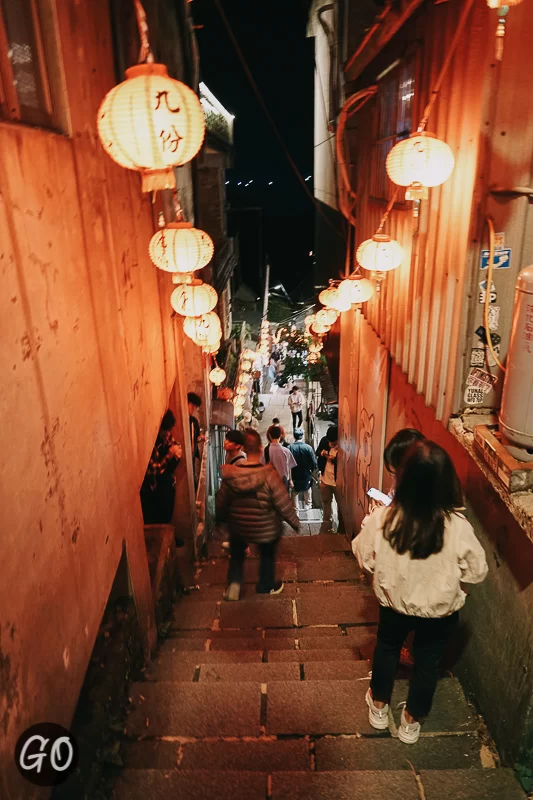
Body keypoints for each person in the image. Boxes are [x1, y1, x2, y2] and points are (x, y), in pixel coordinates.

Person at [353, 440, 488, 745]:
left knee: (387, 649)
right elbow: (477, 571)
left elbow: (363, 556)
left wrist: (383, 569)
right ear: (446, 483)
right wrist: (457, 579)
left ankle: (378, 707)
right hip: (439, 611)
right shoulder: (457, 526)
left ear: (403, 478)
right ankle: (411, 723)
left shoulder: (383, 520)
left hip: (393, 606)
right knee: (428, 663)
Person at [216, 428, 300, 600]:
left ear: (244, 449)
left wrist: (220, 521)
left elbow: (221, 501)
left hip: (239, 527)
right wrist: (294, 522)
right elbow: (282, 502)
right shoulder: (269, 475)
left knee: (237, 552)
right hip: (265, 528)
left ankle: (234, 584)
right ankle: (265, 584)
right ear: (261, 449)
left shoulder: (232, 475)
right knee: (268, 552)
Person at [140, 410, 182, 525]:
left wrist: (177, 450)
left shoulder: (165, 436)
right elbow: (153, 470)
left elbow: (175, 443)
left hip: (167, 481)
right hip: (154, 486)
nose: (167, 433)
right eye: (165, 431)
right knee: (159, 513)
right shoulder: (151, 443)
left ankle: (168, 532)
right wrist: (168, 456)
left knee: (168, 508)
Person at [316, 426, 342, 533]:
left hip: (337, 482)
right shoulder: (324, 441)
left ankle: (342, 528)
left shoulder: (343, 446)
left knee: (341, 506)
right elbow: (317, 451)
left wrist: (334, 460)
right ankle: (327, 524)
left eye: (333, 442)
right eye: (330, 441)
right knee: (326, 503)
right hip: (325, 479)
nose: (331, 443)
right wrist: (322, 453)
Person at [289, 428, 317, 510]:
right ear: (302, 436)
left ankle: (295, 510)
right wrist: (311, 470)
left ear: (294, 436)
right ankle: (308, 507)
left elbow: (287, 464)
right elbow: (314, 463)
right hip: (306, 475)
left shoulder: (290, 448)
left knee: (294, 493)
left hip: (294, 476)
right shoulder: (308, 448)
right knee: (307, 490)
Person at [264, 426, 296, 491]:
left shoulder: (266, 451)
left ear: (269, 436)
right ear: (280, 435)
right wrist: (290, 480)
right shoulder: (286, 451)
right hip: (284, 482)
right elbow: (290, 467)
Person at [188, 392, 202, 486]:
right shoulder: (181, 420)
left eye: (195, 406)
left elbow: (196, 437)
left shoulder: (194, 421)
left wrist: (200, 438)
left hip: (192, 455)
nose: (193, 408)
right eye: (192, 405)